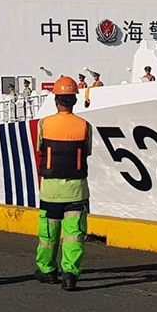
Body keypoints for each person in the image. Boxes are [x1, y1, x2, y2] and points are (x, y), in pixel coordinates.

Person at [34, 76, 92, 291]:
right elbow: (87, 151)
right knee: (74, 235)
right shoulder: (85, 126)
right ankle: (70, 273)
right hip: (76, 190)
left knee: (48, 234)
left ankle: (47, 270)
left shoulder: (44, 124)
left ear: (56, 100)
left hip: (50, 190)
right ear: (74, 101)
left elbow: (41, 147)